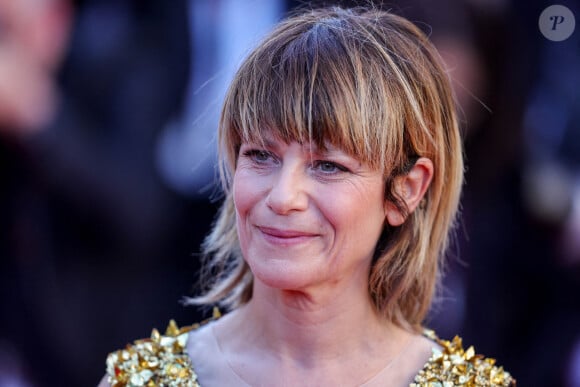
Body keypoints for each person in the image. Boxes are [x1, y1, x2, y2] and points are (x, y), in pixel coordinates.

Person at [100, 5, 515, 386]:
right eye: (261, 156)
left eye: (328, 166)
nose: (283, 197)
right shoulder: (142, 379)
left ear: (406, 190)